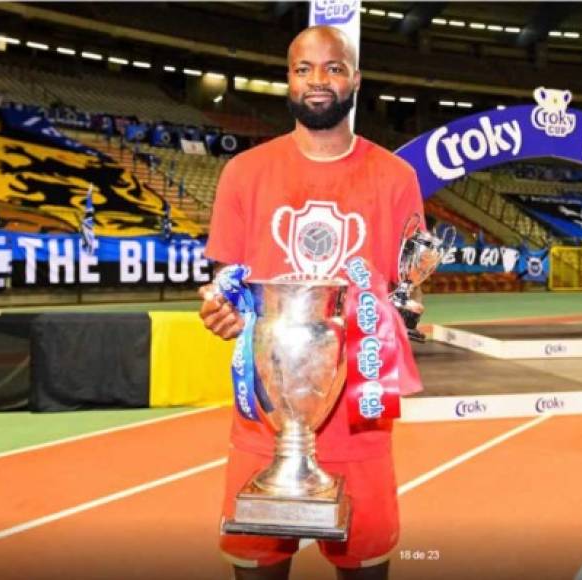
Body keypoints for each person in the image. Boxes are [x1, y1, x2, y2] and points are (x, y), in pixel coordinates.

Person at [198, 25, 424, 580]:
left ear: (355, 79)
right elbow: (226, 284)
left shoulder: (396, 178)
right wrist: (220, 311)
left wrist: (407, 311)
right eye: (304, 69)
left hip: (360, 418)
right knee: (256, 569)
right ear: (288, 80)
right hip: (265, 419)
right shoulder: (243, 173)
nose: (318, 80)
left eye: (333, 67)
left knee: (366, 567)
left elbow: (407, 289)